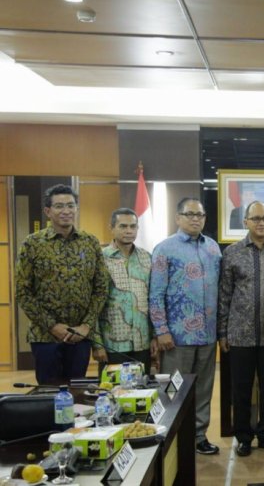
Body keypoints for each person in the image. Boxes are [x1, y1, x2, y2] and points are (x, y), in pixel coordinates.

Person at [16, 184, 109, 385]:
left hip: (80, 337)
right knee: (49, 393)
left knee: (77, 393)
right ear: (48, 211)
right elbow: (23, 292)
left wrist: (86, 326)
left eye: (70, 205)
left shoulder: (90, 242)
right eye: (59, 206)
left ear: (76, 209)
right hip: (45, 337)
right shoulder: (33, 243)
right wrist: (53, 326)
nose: (66, 211)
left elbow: (101, 288)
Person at [218, 201, 264, 457]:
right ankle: (244, 437)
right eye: (256, 218)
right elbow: (224, 295)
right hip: (241, 335)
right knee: (241, 390)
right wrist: (222, 333)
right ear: (245, 222)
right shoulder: (232, 253)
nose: (261, 223)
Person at [150, 197, 221, 455]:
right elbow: (156, 294)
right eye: (189, 214)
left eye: (200, 215)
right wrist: (161, 330)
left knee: (203, 389)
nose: (195, 219)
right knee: (173, 389)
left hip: (207, 335)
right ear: (177, 217)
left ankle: (199, 436)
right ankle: (170, 438)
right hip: (176, 338)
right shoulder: (164, 249)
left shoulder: (213, 248)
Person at [95, 208, 158, 373]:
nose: (129, 231)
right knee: (113, 388)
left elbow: (153, 299)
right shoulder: (100, 258)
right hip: (112, 343)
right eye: (123, 226)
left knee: (142, 387)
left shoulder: (147, 257)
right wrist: (97, 344)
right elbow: (93, 304)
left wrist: (155, 336)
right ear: (111, 228)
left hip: (142, 342)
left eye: (133, 226)